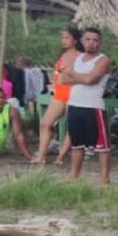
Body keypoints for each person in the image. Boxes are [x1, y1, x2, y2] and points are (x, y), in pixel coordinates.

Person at [60, 27, 112, 185]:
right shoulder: (78, 57)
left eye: (95, 40)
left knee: (101, 146)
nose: (91, 43)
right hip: (75, 105)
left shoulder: (103, 60)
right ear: (82, 41)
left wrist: (74, 74)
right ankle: (74, 176)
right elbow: (63, 79)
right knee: (77, 144)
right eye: (88, 40)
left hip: (93, 106)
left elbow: (91, 80)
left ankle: (104, 179)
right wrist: (83, 77)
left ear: (100, 42)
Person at [31, 26, 82, 164]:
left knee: (71, 127)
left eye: (67, 38)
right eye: (62, 38)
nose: (63, 41)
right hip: (59, 93)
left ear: (75, 40)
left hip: (73, 94)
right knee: (45, 123)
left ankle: (61, 157)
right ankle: (41, 156)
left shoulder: (80, 57)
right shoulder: (63, 55)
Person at [0, 87, 32, 160]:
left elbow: (18, 134)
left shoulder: (12, 111)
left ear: (5, 99)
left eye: (1, 98)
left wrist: (28, 155)